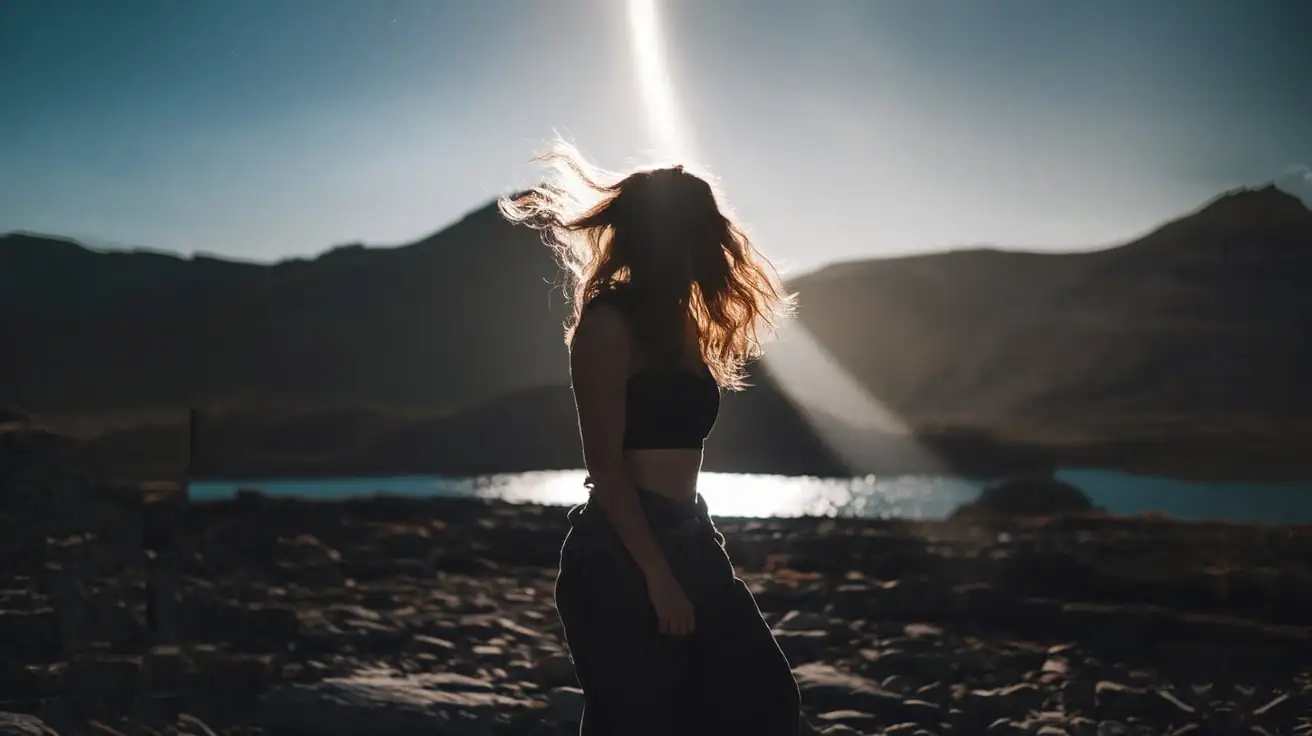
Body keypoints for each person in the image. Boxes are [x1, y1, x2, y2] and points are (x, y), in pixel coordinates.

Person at [500, 142, 803, 734]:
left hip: (690, 535)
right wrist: (658, 578)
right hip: (620, 552)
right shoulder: (608, 321)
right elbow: (606, 466)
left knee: (765, 701)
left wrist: (686, 554)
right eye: (697, 232)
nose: (713, 248)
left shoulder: (684, 323)